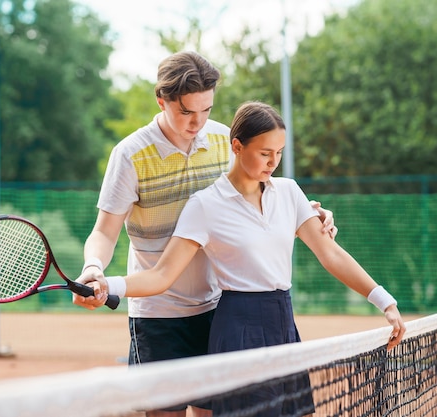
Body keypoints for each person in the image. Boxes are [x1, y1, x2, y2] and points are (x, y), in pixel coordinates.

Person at [82, 101, 406, 416]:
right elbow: (162, 274)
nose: (273, 162)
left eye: (278, 153)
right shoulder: (205, 205)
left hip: (283, 321)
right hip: (238, 327)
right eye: (264, 153)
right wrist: (107, 285)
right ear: (236, 146)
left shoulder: (290, 192)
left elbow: (330, 254)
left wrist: (385, 302)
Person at [72, 52, 336, 417]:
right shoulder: (130, 155)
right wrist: (94, 267)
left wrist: (307, 215)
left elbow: (256, 203)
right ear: (161, 100)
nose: (197, 122)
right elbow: (104, 230)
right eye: (185, 112)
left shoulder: (225, 140)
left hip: (219, 308)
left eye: (206, 110)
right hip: (159, 314)